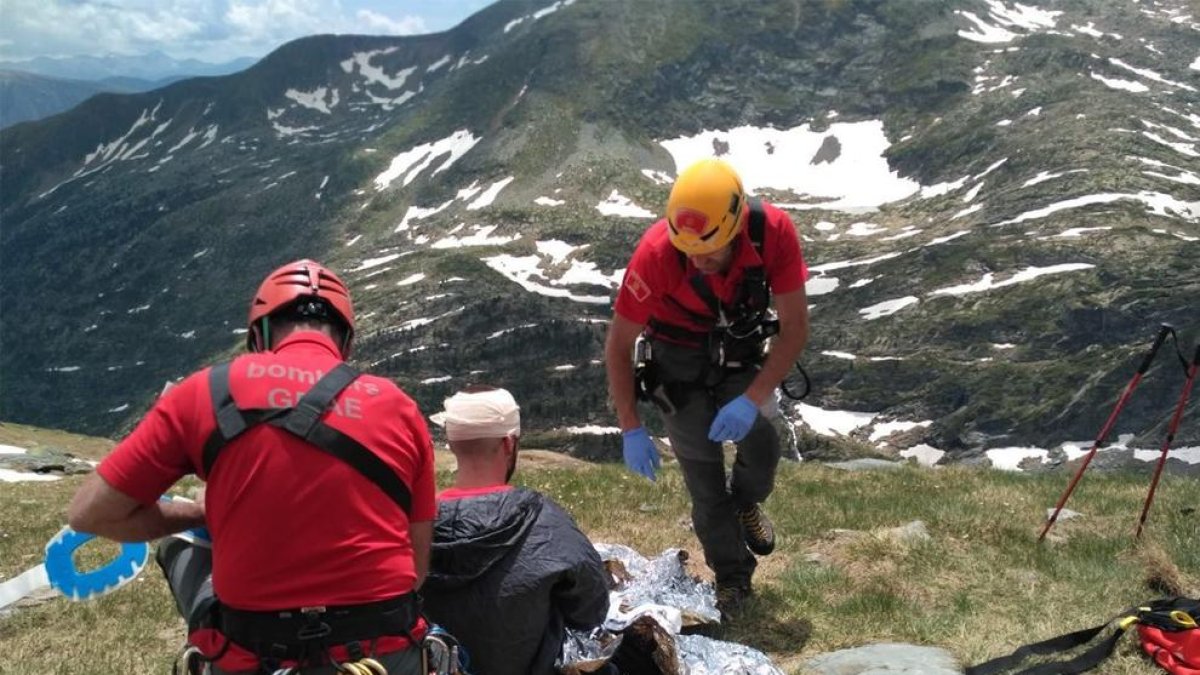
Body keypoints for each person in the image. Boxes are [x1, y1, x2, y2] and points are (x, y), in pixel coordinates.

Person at [67, 259, 436, 675]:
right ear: (345, 341)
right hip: (381, 655)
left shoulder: (205, 390)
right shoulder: (400, 407)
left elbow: (91, 513)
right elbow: (416, 570)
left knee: (178, 549)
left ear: (258, 334)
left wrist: (200, 512)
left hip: (253, 655)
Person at [604, 158, 809, 616]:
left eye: (710, 253)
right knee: (703, 480)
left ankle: (746, 503)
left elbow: (794, 328)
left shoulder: (773, 232)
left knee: (761, 444)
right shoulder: (657, 253)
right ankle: (733, 578)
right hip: (675, 366)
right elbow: (619, 344)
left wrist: (752, 399)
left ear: (735, 228)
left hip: (738, 352)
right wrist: (630, 427)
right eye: (689, 251)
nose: (697, 260)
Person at [421, 386, 610, 675]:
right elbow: (591, 610)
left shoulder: (415, 524)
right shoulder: (546, 521)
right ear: (509, 443)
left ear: (451, 441)